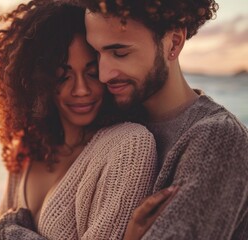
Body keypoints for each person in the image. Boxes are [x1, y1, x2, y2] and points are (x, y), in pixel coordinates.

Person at [0, 1, 161, 239]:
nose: (81, 89)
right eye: (63, 76)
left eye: (91, 73)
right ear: (40, 81)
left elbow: (2, 232)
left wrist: (10, 231)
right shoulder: (28, 148)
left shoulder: (129, 146)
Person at [72, 0, 248, 239]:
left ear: (173, 43)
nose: (103, 74)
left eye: (120, 53)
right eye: (96, 53)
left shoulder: (218, 140)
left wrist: (10, 229)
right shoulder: (110, 123)